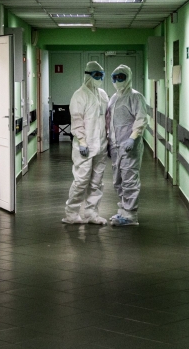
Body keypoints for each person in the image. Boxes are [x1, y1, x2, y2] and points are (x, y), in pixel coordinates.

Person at [63, 61, 110, 224]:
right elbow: (77, 120)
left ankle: (91, 214)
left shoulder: (103, 94)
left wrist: (109, 139)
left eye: (101, 75)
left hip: (101, 145)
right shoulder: (79, 95)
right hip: (85, 146)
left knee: (96, 182)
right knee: (81, 181)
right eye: (97, 75)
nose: (100, 78)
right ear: (88, 76)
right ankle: (71, 213)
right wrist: (82, 141)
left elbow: (106, 118)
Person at [106, 64, 148, 226]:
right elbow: (110, 122)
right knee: (118, 180)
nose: (117, 80)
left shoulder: (135, 97)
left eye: (121, 77)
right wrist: (109, 141)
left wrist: (133, 137)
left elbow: (141, 119)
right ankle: (123, 209)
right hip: (116, 145)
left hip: (130, 145)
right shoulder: (114, 98)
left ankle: (131, 215)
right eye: (114, 77)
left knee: (129, 178)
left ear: (128, 77)